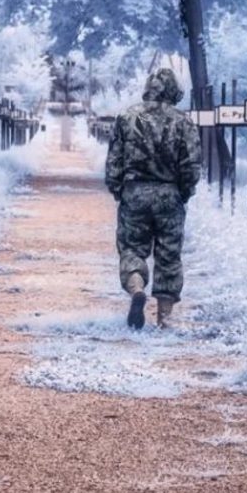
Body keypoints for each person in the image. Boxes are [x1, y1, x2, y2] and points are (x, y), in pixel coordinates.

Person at [104, 68, 201, 330]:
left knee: (132, 248)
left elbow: (114, 160)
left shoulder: (126, 118)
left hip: (134, 193)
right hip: (169, 195)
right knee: (169, 254)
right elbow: (191, 164)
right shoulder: (183, 121)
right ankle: (165, 320)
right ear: (173, 91)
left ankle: (137, 288)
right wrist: (183, 192)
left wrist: (117, 188)